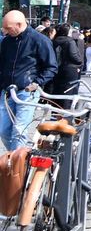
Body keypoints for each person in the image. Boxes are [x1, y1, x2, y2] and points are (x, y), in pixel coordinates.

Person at [0, 11, 57, 151]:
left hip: (27, 91)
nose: (5, 31)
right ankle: (18, 158)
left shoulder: (39, 40)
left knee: (19, 131)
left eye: (8, 28)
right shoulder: (7, 41)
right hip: (7, 91)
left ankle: (16, 166)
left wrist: (37, 82)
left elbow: (51, 67)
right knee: (3, 129)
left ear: (19, 25)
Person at [47, 25, 85, 98]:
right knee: (68, 91)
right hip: (69, 68)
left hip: (57, 67)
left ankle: (56, 107)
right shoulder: (70, 41)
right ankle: (66, 107)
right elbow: (74, 55)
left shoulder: (55, 41)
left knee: (57, 91)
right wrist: (80, 61)